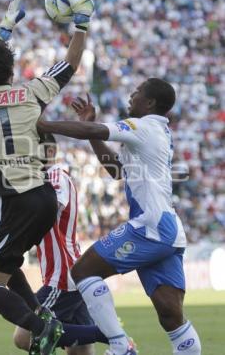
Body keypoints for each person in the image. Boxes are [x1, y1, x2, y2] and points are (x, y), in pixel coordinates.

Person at [0, 0, 94, 354]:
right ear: (12, 70)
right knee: (6, 265)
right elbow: (70, 64)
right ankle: (42, 314)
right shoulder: (32, 92)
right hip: (43, 197)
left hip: (11, 198)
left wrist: (5, 28)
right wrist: (81, 25)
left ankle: (42, 327)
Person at [37, 82, 202, 355]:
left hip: (150, 226)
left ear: (149, 103)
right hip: (167, 229)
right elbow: (115, 170)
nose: (131, 95)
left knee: (82, 272)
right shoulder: (152, 131)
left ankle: (119, 345)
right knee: (171, 316)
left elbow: (95, 129)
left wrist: (45, 126)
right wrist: (92, 131)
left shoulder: (143, 127)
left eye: (137, 92)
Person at [0, 140, 107, 354]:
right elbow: (16, 205)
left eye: (34, 149)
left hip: (62, 276)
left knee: (24, 337)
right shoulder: (37, 182)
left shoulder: (55, 176)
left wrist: (11, 212)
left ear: (51, 150)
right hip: (71, 273)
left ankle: (110, 334)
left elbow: (45, 208)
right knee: (80, 352)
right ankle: (110, 334)